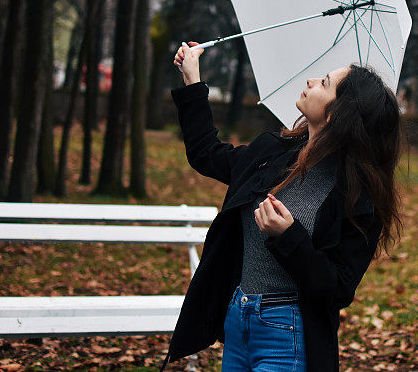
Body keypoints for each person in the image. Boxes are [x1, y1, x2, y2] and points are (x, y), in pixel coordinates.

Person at [160, 41, 405, 371]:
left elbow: (338, 289)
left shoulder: (357, 197)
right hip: (237, 318)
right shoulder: (270, 153)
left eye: (325, 83)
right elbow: (206, 153)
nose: (311, 81)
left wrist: (289, 236)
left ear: (337, 114)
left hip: (287, 332)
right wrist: (192, 79)